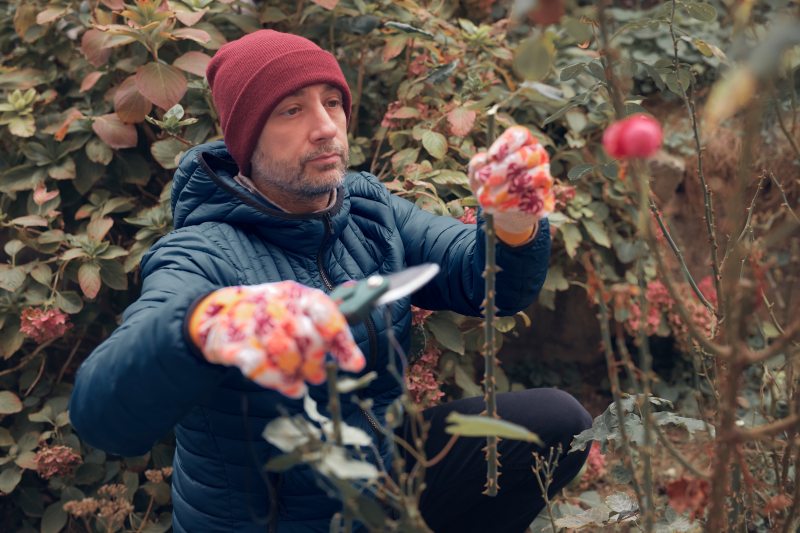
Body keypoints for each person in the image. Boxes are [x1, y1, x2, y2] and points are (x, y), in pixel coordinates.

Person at [69, 30, 592, 533]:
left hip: (380, 477)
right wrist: (209, 325)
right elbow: (103, 418)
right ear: (246, 139)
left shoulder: (364, 206)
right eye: (291, 110)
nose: (325, 127)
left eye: (332, 102)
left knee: (553, 424)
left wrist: (513, 219)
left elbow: (482, 281)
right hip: (281, 520)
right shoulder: (202, 254)